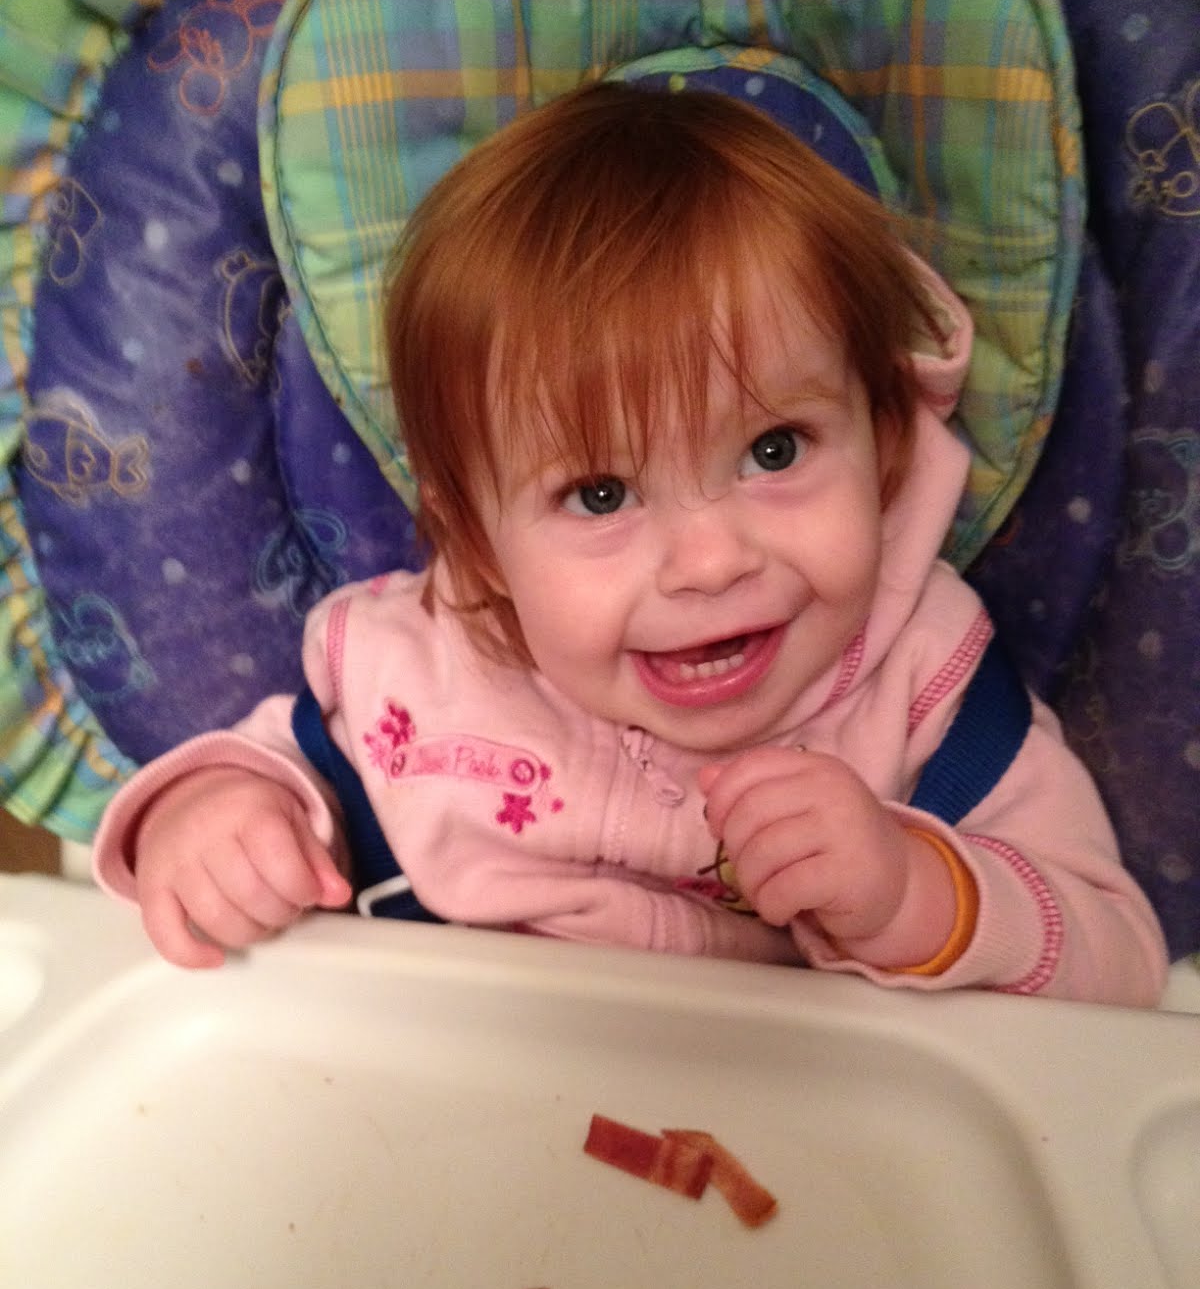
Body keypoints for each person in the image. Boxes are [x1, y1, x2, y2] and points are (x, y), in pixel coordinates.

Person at [93, 82, 1167, 1004]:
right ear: (478, 542)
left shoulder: (928, 693)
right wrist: (215, 816)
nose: (711, 562)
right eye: (600, 492)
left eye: (775, 449)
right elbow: (282, 775)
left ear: (883, 442)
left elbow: (1120, 965)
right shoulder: (422, 669)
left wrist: (919, 894)